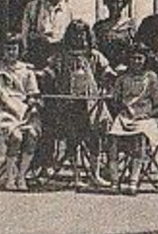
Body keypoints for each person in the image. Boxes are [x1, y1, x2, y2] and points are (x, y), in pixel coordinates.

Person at [43, 19, 111, 187]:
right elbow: (49, 70)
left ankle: (95, 174)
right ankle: (75, 176)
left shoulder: (93, 55)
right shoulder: (62, 56)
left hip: (91, 103)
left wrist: (109, 77)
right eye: (75, 34)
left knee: (94, 137)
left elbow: (107, 70)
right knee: (73, 138)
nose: (79, 37)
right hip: (69, 102)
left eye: (82, 34)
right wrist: (46, 74)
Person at [0, 33, 42, 191]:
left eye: (14, 49)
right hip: (5, 112)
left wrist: (32, 107)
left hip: (23, 112)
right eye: (8, 49)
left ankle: (21, 176)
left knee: (32, 136)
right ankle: (9, 178)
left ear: (19, 50)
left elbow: (33, 94)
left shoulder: (26, 70)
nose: (11, 53)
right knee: (16, 137)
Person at [104, 43, 158, 194]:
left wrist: (148, 114)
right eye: (133, 58)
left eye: (140, 58)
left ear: (145, 59)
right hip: (126, 116)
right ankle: (115, 181)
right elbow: (115, 101)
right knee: (112, 139)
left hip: (147, 117)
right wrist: (123, 110)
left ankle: (133, 181)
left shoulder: (151, 77)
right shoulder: (122, 79)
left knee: (139, 138)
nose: (136, 62)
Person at [19, 0, 74, 70]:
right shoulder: (33, 7)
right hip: (38, 59)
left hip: (59, 61)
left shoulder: (67, 11)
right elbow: (25, 35)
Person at [92, 0, 137, 69]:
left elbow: (135, 49)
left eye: (118, 2)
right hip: (104, 69)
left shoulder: (130, 25)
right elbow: (94, 49)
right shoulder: (99, 27)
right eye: (111, 1)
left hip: (125, 69)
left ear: (124, 4)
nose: (114, 6)